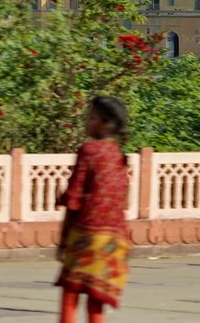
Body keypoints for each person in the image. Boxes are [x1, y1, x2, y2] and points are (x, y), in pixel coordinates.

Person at [55, 97, 131, 323]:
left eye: (91, 118)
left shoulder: (88, 150)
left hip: (87, 235)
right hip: (115, 241)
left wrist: (63, 239)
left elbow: (74, 199)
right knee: (95, 302)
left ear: (105, 124)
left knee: (71, 294)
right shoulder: (118, 154)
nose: (86, 123)